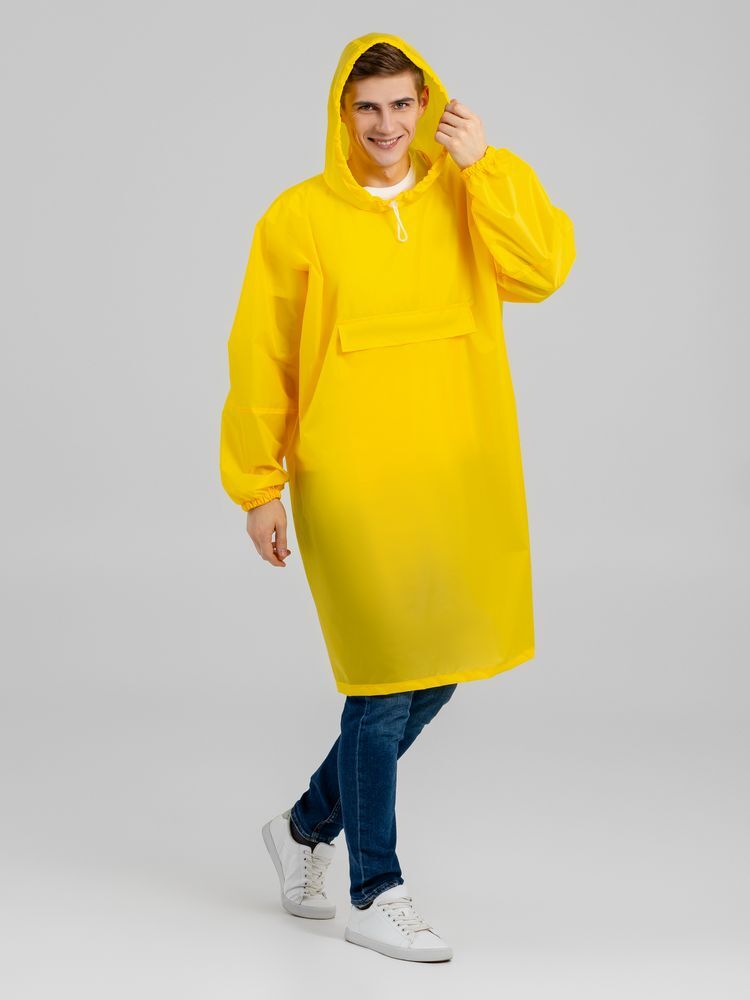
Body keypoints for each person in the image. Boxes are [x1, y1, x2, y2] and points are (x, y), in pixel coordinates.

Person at [220, 32, 576, 963]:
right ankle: (376, 889)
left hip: (456, 468)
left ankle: (303, 827)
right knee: (380, 683)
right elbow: (262, 352)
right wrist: (258, 483)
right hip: (350, 476)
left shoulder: (468, 192)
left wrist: (486, 165)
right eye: (367, 107)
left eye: (402, 106)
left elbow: (543, 270)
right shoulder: (298, 218)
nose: (385, 125)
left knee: (437, 669)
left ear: (429, 107)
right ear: (343, 114)